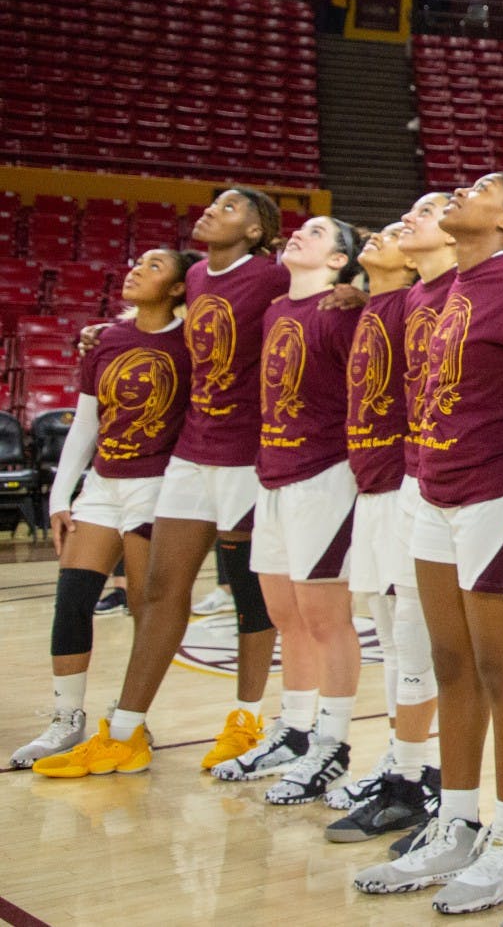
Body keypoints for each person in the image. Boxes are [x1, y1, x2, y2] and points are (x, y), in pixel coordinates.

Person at [354, 172, 503, 915]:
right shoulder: (425, 293)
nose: (455, 196)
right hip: (433, 487)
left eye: (477, 190)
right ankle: (458, 819)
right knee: (449, 660)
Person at [36, 188, 288, 779]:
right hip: (190, 455)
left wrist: (351, 289)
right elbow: (166, 335)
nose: (212, 211)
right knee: (157, 594)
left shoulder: (271, 275)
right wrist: (110, 332)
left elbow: (319, 295)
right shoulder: (197, 276)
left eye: (230, 208)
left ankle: (247, 720)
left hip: (248, 457)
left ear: (255, 231)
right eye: (215, 204)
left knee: (251, 597)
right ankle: (124, 732)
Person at [14, 249, 195, 770]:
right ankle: (65, 720)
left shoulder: (190, 345)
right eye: (137, 262)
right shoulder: (108, 339)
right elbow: (84, 425)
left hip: (157, 489)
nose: (137, 269)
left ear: (181, 288)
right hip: (102, 486)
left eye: (154, 267)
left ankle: (130, 716)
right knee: (72, 600)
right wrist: (59, 497)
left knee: (146, 607)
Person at [235, 215, 367, 804]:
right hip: (274, 475)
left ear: (340, 261)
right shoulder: (274, 311)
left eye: (316, 234)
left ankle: (332, 744)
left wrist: (363, 294)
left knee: (324, 619)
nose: (299, 235)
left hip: (325, 476)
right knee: (284, 615)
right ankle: (293, 730)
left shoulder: (345, 313)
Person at [325, 220, 441, 842]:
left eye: (404, 227)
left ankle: (418, 770)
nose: (388, 232)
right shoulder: (376, 303)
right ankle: (404, 760)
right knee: (390, 637)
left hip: (407, 479)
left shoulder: (422, 301)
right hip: (372, 482)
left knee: (411, 637)